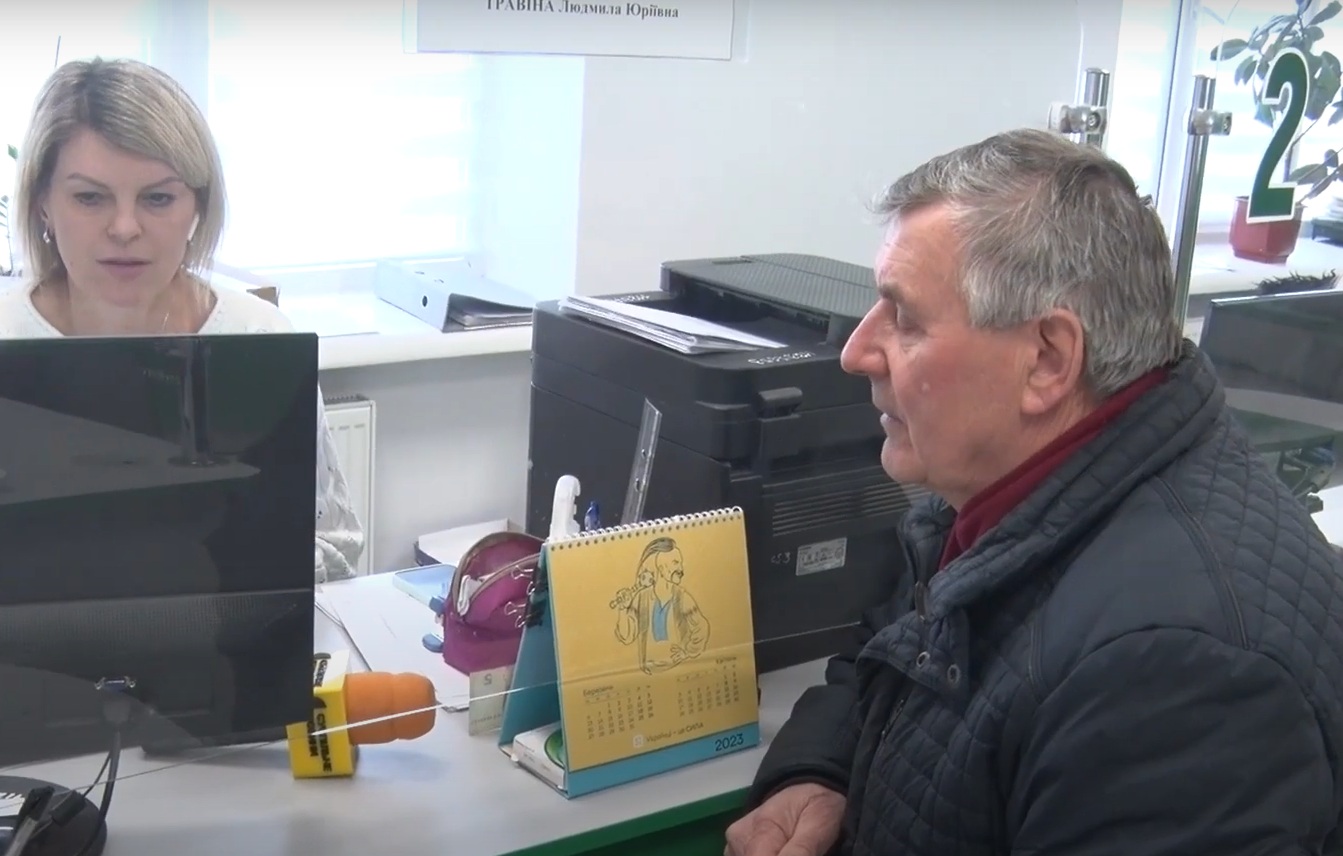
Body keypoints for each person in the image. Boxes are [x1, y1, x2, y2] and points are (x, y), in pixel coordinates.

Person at [724, 128, 1343, 856]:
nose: (856, 352)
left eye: (905, 319)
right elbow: (890, 650)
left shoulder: (1175, 675)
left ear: (1047, 360)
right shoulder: (999, 498)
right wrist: (819, 772)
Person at [0, 57, 363, 583]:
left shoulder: (258, 337)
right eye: (90, 197)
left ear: (197, 207)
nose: (125, 227)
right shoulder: (8, 337)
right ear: (42, 205)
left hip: (218, 630)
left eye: (158, 198)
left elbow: (335, 544)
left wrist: (226, 568)